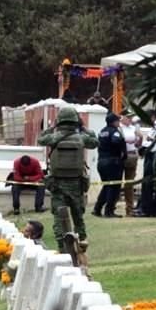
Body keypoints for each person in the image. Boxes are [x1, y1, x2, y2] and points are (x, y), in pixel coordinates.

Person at [37, 106, 98, 251]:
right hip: (76, 183)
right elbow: (95, 141)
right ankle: (82, 242)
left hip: (57, 184)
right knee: (78, 216)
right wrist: (83, 128)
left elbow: (40, 139)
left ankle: (62, 246)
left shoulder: (53, 138)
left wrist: (52, 127)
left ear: (60, 121)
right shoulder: (81, 138)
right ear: (76, 121)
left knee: (59, 217)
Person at [92, 112, 127, 218]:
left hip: (102, 162)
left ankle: (97, 209)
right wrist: (121, 150)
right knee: (114, 187)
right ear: (114, 122)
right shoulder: (115, 132)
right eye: (117, 120)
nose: (119, 122)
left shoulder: (102, 131)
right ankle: (109, 211)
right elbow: (116, 141)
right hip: (113, 162)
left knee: (107, 186)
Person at [120, 115, 143, 216]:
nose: (130, 120)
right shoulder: (119, 128)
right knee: (116, 182)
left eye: (130, 118)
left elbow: (138, 145)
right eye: (127, 118)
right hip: (120, 155)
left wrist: (140, 138)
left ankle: (129, 208)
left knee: (129, 183)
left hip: (132, 154)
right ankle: (110, 207)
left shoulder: (133, 129)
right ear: (122, 118)